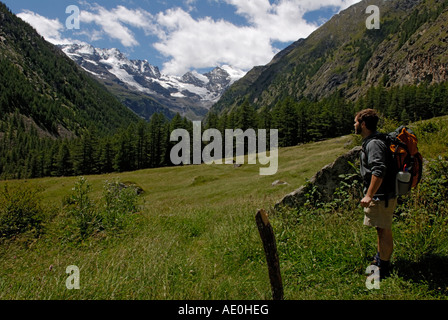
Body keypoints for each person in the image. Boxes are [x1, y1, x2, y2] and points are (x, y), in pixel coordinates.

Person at [354, 109, 397, 280]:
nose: (354, 125)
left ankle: (383, 268)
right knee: (381, 228)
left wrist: (369, 195)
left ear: (363, 124)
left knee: (383, 230)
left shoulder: (373, 144)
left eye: (356, 122)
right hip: (383, 194)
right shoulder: (374, 140)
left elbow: (378, 170)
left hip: (381, 196)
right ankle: (380, 259)